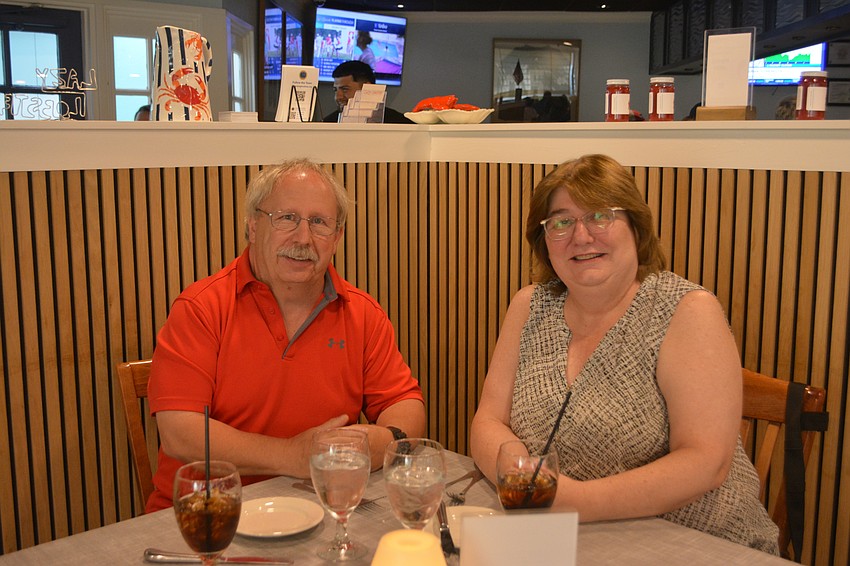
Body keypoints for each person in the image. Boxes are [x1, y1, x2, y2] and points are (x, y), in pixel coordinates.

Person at [469, 154, 780, 554]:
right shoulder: (529, 305)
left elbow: (707, 462)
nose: (581, 236)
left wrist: (574, 502)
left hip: (701, 543)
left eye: (600, 216)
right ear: (544, 241)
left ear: (636, 226)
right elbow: (488, 419)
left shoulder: (686, 309)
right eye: (561, 222)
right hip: (568, 542)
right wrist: (511, 460)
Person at [146, 159, 426, 512]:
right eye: (286, 218)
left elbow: (406, 404)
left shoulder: (362, 313)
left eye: (320, 223)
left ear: (336, 238)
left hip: (322, 509)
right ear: (252, 226)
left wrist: (385, 440)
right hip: (207, 515)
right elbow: (178, 433)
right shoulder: (200, 309)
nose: (303, 238)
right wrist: (292, 456)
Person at [322, 60, 413, 124]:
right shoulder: (327, 124)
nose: (338, 97)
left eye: (345, 89)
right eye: (335, 90)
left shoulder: (400, 124)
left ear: (367, 88)